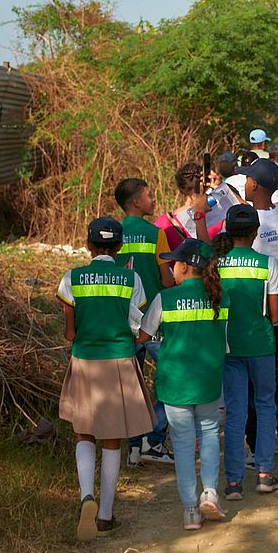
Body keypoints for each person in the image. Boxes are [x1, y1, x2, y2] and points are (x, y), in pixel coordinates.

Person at [57, 217, 155, 541]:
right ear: (119, 247)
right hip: (119, 361)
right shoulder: (131, 278)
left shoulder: (72, 279)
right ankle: (105, 516)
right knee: (113, 438)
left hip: (85, 359)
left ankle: (87, 496)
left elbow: (70, 332)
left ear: (88, 245)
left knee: (85, 433)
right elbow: (135, 321)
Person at [140, 239, 229, 530]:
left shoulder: (165, 299)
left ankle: (191, 510)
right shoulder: (220, 296)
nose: (170, 267)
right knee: (209, 434)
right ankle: (211, 493)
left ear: (186, 267)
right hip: (208, 380)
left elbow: (143, 335)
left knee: (182, 443)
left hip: (175, 384)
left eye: (173, 263)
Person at [214, 205, 278, 500]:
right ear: (256, 232)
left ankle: (233, 483)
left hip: (229, 347)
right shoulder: (267, 264)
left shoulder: (217, 265)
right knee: (266, 406)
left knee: (235, 413)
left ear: (228, 232)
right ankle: (265, 474)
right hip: (261, 345)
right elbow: (275, 314)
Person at [236, 159, 278, 462]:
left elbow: (241, 224)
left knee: (252, 380)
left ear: (255, 186)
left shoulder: (253, 224)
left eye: (248, 180)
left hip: (256, 307)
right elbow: (256, 211)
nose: (244, 184)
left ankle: (255, 444)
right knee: (270, 375)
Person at [113, 178, 175, 466]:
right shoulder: (156, 234)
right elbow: (165, 279)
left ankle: (134, 447)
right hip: (152, 323)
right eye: (149, 195)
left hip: (121, 323)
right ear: (135, 201)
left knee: (131, 385)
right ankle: (154, 438)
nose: (153, 199)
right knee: (172, 377)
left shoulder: (112, 234)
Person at [154, 162, 224, 252]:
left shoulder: (164, 222)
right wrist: (221, 187)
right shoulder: (221, 213)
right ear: (206, 183)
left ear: (181, 190)